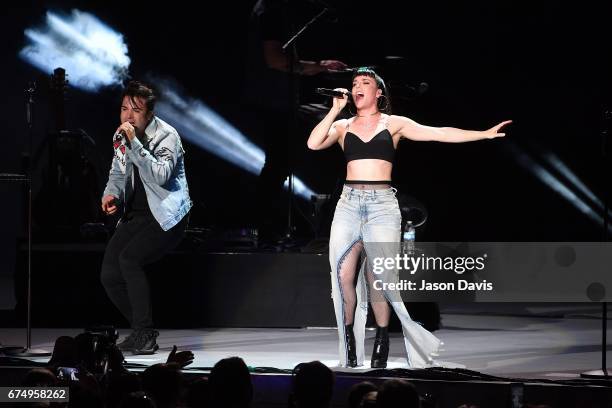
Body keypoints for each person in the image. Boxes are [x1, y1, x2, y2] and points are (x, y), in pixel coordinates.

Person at [307, 67, 511, 368]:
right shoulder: (343, 125)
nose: (357, 87)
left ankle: (381, 337)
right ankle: (348, 339)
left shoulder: (395, 124)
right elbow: (313, 144)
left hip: (382, 206)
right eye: (354, 83)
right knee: (343, 276)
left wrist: (482, 134)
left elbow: (439, 133)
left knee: (379, 277)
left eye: (365, 83)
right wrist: (334, 110)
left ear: (379, 93)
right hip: (348, 205)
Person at [100, 80, 192, 355]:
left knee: (129, 259)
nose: (128, 116)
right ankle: (143, 330)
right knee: (109, 275)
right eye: (124, 109)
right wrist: (111, 195)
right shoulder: (121, 136)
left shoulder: (167, 136)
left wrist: (135, 144)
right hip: (137, 214)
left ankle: (144, 333)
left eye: (136, 111)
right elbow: (117, 172)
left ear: (149, 114)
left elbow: (161, 175)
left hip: (167, 215)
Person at [243, 0, 346, 244]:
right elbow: (275, 60)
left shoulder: (269, 11)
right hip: (272, 101)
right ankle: (269, 226)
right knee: (278, 164)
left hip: (276, 101)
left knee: (279, 163)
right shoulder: (271, 12)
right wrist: (316, 67)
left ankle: (285, 224)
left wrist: (317, 67)